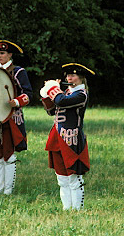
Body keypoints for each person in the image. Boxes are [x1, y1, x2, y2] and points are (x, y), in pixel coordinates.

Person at [40, 63, 95, 210]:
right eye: (67, 75)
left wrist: (53, 88)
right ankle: (67, 208)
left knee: (74, 177)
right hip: (58, 137)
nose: (69, 78)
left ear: (81, 78)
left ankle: (77, 209)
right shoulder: (65, 92)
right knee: (61, 178)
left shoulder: (81, 94)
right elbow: (52, 110)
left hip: (72, 139)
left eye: (73, 75)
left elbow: (61, 102)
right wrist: (46, 95)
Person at [0, 40, 33, 195]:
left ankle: (8, 190)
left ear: (10, 54)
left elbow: (28, 94)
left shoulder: (18, 72)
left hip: (11, 117)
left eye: (3, 53)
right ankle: (0, 188)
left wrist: (16, 102)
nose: (0, 56)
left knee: (9, 153)